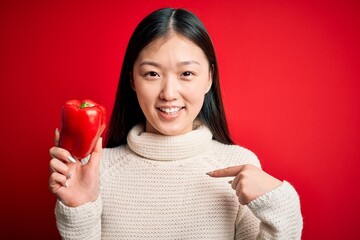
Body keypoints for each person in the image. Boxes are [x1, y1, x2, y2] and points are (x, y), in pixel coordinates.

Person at [49, 8, 303, 239]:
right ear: (132, 80)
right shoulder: (95, 169)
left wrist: (281, 204)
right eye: (152, 74)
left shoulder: (237, 165)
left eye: (187, 74)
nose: (169, 93)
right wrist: (78, 209)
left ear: (209, 79)